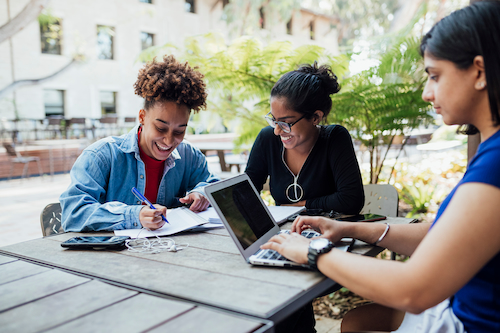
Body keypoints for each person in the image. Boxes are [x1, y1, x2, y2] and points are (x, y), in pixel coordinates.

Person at [262, 2, 500, 332]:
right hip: (458, 304)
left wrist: (313, 251)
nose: (427, 93)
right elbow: (440, 234)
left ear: (479, 71)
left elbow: (414, 290)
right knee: (356, 322)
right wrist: (349, 229)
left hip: (470, 321)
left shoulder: (494, 167)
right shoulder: (491, 153)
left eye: (434, 76)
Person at [60, 55, 219, 232]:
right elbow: (73, 213)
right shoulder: (102, 156)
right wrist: (134, 215)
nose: (168, 140)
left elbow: (213, 185)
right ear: (142, 117)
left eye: (179, 131)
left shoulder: (189, 155)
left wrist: (201, 194)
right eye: (160, 128)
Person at [245, 62, 364, 214]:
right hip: (284, 232)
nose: (277, 131)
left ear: (316, 117)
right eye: (274, 120)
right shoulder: (267, 139)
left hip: (328, 230)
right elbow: (246, 192)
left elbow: (351, 200)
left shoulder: (334, 138)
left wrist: (301, 205)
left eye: (286, 123)